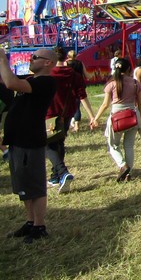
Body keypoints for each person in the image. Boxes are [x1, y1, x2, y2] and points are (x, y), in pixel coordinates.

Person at [1, 48, 57, 243]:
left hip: (30, 140)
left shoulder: (46, 81)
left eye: (35, 57)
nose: (30, 59)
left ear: (48, 62)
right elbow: (5, 80)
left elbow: (10, 82)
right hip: (18, 140)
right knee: (23, 185)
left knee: (35, 185)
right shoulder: (32, 79)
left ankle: (39, 225)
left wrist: (2, 57)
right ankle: (30, 221)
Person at [45, 46, 94, 194]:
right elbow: (82, 95)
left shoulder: (48, 74)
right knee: (59, 143)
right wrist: (92, 115)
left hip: (49, 115)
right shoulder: (73, 74)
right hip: (66, 114)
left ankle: (62, 172)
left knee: (47, 146)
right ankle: (55, 176)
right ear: (66, 57)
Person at [91, 57, 141, 183]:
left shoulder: (111, 84)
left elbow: (105, 104)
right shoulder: (135, 83)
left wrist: (95, 118)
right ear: (129, 69)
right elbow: (140, 104)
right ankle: (128, 172)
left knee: (113, 145)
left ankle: (122, 165)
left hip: (117, 117)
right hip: (133, 115)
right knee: (129, 146)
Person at [65, 49, 89, 132]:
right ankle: (76, 125)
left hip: (69, 87)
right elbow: (87, 75)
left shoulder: (66, 63)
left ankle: (68, 123)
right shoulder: (80, 63)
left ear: (68, 56)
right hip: (79, 85)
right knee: (77, 106)